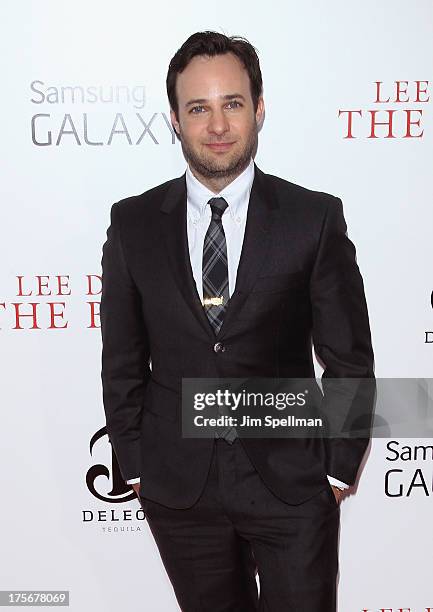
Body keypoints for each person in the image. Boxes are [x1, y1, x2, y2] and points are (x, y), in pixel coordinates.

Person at [100, 31, 375, 611]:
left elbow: (349, 357)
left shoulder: (313, 218)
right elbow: (122, 361)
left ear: (259, 108)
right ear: (175, 119)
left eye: (233, 103)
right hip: (181, 489)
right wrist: (140, 464)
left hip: (292, 482)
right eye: (199, 108)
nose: (218, 125)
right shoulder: (133, 225)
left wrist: (336, 469)